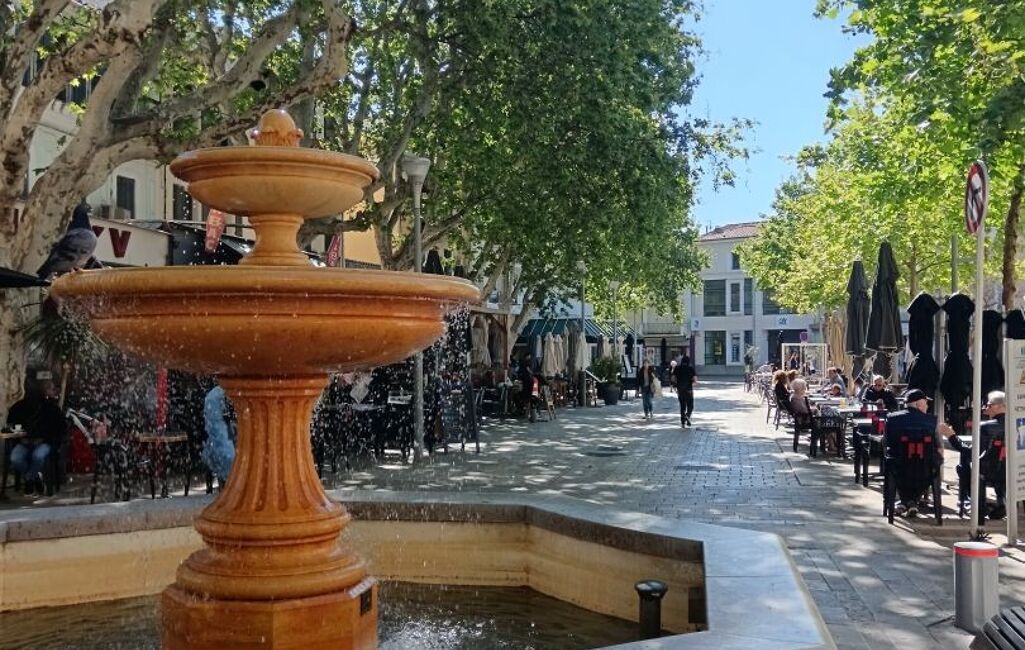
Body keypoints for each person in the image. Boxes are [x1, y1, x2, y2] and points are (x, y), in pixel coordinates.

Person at [885, 388, 954, 517]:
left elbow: (888, 443)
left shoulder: (892, 419)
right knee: (930, 468)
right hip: (925, 467)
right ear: (918, 404)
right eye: (926, 403)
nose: (927, 406)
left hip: (899, 466)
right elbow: (939, 447)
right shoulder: (932, 421)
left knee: (897, 468)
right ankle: (912, 501)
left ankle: (906, 502)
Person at [947, 390, 1007, 520]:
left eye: (989, 405)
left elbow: (972, 453)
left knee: (964, 464)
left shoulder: (985, 427)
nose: (985, 407)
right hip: (1012, 470)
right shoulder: (1018, 424)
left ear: (1000, 406)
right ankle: (1001, 500)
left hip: (989, 471)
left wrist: (951, 436)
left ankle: (971, 502)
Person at [6, 380, 66, 496]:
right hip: (24, 443)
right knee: (15, 459)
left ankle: (29, 480)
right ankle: (36, 478)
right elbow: (11, 425)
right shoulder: (19, 407)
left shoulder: (52, 408)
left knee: (37, 456)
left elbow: (60, 429)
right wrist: (20, 435)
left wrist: (46, 438)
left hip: (44, 443)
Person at [202, 384, 236, 485]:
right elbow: (218, 436)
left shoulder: (215, 396)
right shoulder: (214, 397)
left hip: (227, 440)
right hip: (220, 443)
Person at [672, 355, 696, 427]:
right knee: (690, 405)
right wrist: (692, 382)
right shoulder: (690, 368)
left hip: (680, 390)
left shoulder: (677, 368)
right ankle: (687, 416)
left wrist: (675, 385)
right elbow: (695, 379)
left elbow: (673, 378)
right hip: (689, 389)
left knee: (682, 406)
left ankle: (683, 423)